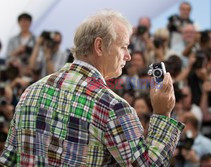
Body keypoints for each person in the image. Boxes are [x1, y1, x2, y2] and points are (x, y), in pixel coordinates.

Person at [0, 10, 184, 166]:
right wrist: (162, 114)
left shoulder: (30, 93)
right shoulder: (113, 107)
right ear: (99, 46)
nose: (128, 56)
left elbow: (7, 160)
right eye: (124, 47)